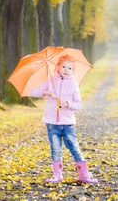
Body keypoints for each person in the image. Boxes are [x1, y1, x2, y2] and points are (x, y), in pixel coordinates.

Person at [30, 54, 98, 185]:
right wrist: (46, 93)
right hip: (52, 124)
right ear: (57, 67)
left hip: (67, 124)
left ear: (73, 70)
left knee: (74, 147)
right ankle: (57, 175)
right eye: (63, 67)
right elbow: (33, 92)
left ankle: (84, 175)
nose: (66, 70)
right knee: (55, 148)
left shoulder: (73, 85)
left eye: (70, 68)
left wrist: (67, 103)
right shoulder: (50, 81)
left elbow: (79, 105)